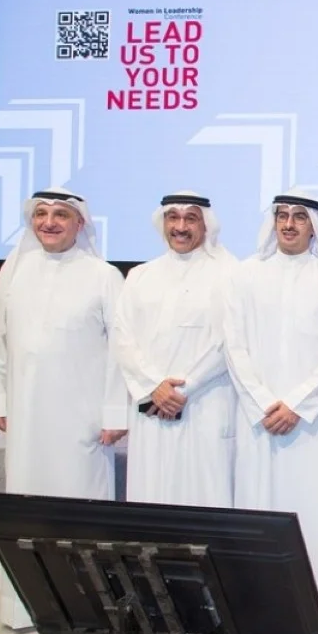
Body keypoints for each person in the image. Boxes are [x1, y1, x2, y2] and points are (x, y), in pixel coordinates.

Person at [0, 187, 129, 629]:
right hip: (27, 418)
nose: (49, 222)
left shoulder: (104, 275)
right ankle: (26, 607)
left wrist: (114, 413)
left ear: (80, 223)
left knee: (79, 511)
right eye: (41, 214)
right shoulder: (15, 272)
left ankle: (89, 608)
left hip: (81, 422)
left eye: (61, 215)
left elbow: (120, 351)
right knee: (26, 507)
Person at [223, 189, 318, 632]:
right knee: (259, 506)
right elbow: (234, 344)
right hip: (259, 418)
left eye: (299, 217)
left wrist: (297, 403)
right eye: (282, 215)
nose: (289, 224)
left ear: (314, 225)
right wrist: (265, 402)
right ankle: (260, 609)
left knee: (314, 508)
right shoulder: (246, 274)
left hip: (311, 422)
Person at [113, 191, 238, 507]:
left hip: (206, 406)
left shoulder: (231, 274)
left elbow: (231, 341)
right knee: (151, 498)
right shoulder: (141, 275)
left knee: (207, 500)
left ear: (206, 225)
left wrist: (185, 388)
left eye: (190, 218)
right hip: (152, 408)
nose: (180, 227)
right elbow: (123, 337)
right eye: (173, 217)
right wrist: (155, 386)